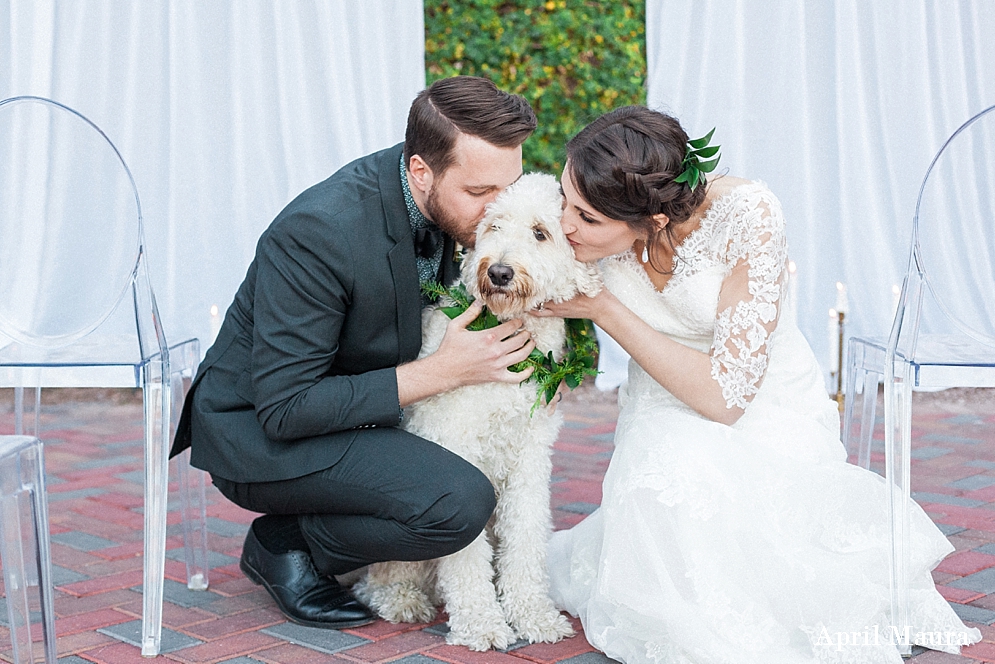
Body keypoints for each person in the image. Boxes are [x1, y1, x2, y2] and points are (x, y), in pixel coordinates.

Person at [534, 106, 981, 663]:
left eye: (588, 218)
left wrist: (603, 309)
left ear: (652, 221)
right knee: (664, 471)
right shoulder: (572, 228)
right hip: (658, 407)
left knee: (761, 549)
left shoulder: (748, 215)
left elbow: (726, 401)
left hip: (759, 400)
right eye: (564, 199)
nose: (565, 225)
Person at [170, 76, 538, 629]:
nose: (494, 212)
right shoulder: (319, 231)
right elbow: (285, 408)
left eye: (503, 191)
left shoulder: (444, 199)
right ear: (421, 170)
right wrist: (440, 373)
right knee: (459, 502)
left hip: (354, 413)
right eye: (480, 194)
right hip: (257, 431)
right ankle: (287, 543)